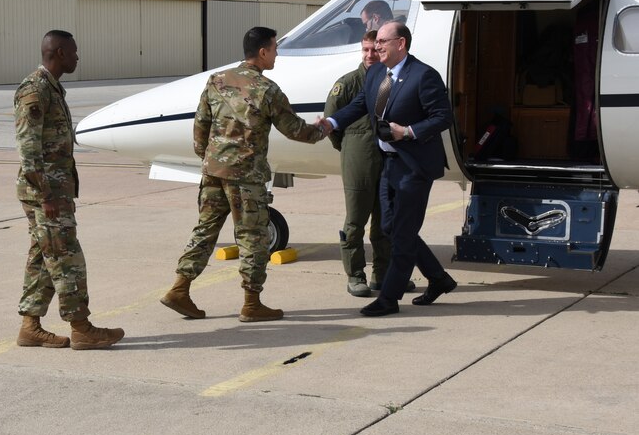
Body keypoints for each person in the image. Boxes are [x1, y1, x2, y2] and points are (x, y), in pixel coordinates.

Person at [161, 27, 327, 322]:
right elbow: (295, 130)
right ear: (262, 52)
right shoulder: (267, 90)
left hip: (213, 170)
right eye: (275, 49)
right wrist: (323, 128)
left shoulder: (216, 80)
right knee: (253, 237)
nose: (276, 54)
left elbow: (201, 124)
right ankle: (252, 304)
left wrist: (209, 157)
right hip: (246, 176)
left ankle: (179, 288)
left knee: (205, 230)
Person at [321, 21, 457, 316]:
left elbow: (442, 117)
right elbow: (360, 105)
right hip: (388, 164)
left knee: (404, 234)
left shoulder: (423, 76)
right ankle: (438, 278)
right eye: (376, 42)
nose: (377, 46)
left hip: (415, 166)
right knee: (390, 227)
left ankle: (389, 298)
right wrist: (332, 122)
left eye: (383, 41)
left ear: (401, 44)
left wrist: (407, 131)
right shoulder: (375, 74)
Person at [15, 29, 124, 349]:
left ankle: (29, 326)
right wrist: (46, 194)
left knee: (43, 257)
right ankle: (81, 327)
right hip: (45, 192)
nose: (77, 57)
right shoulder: (35, 89)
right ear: (59, 52)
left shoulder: (51, 88)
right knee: (66, 258)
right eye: (74, 52)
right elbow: (27, 147)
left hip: (51, 189)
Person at [324, 30, 414, 297]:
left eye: (374, 49)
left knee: (386, 221)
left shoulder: (395, 79)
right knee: (355, 220)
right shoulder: (349, 83)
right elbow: (332, 121)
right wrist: (351, 149)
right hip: (358, 160)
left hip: (389, 160)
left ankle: (383, 275)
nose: (370, 55)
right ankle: (355, 275)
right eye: (365, 50)